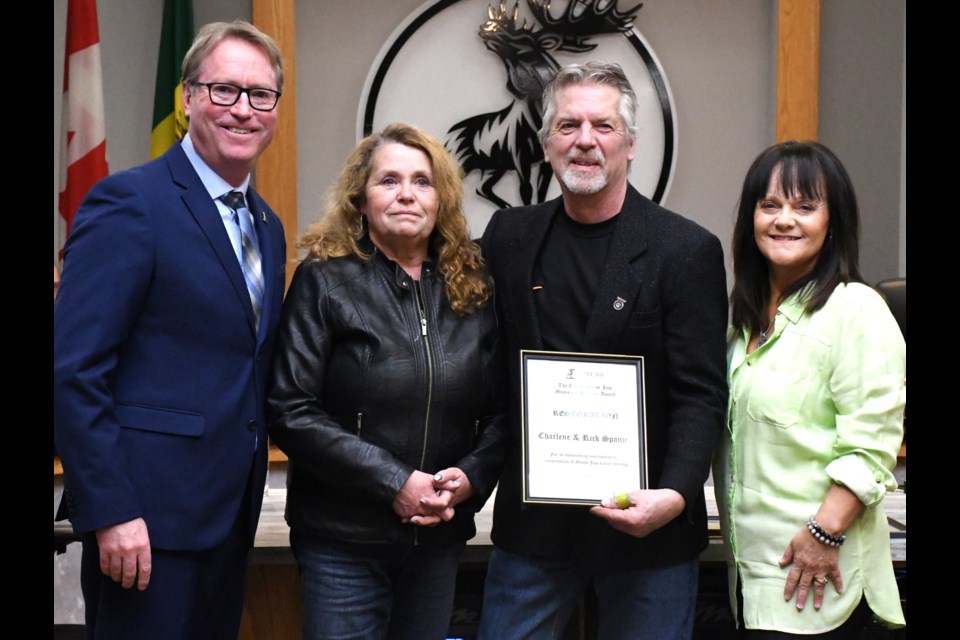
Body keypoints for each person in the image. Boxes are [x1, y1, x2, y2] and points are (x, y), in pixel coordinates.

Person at [476, 61, 728, 640]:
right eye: (568, 126)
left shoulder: (684, 250)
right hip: (534, 532)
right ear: (545, 144)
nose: (585, 140)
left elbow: (702, 393)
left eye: (603, 126)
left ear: (631, 144)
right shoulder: (508, 238)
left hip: (647, 533)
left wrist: (675, 495)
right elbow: (489, 373)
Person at [53, 20, 286, 639]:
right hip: (144, 526)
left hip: (228, 520)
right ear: (187, 99)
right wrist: (112, 511)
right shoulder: (130, 203)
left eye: (260, 95)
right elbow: (74, 372)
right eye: (224, 90)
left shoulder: (266, 225)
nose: (243, 109)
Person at [267, 123, 506, 640]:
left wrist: (469, 479)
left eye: (422, 181)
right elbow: (290, 407)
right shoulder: (325, 280)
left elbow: (502, 410)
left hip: (438, 539)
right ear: (360, 198)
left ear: (441, 199)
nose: (406, 194)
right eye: (389, 180)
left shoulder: (475, 285)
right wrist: (394, 481)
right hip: (342, 542)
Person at [716, 141, 906, 637]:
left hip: (821, 579)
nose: (784, 220)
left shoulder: (855, 309)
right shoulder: (742, 322)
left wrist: (823, 533)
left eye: (805, 206)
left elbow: (871, 447)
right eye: (770, 205)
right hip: (755, 580)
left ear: (833, 221)